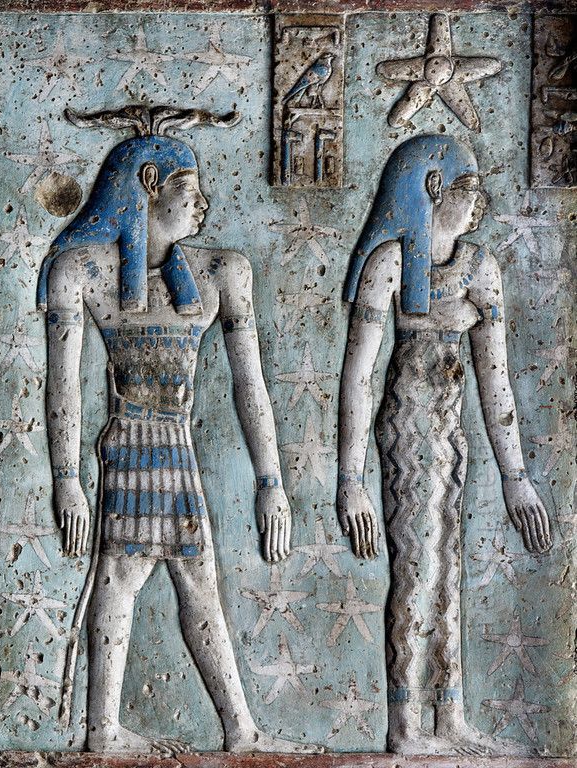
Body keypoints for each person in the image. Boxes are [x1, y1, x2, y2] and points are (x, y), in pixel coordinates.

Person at [38, 106, 317, 755]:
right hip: (130, 444)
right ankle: (108, 731)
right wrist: (66, 480)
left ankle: (234, 730)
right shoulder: (81, 271)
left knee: (189, 580)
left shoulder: (223, 272)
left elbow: (250, 385)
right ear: (149, 185)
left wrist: (271, 482)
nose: (204, 205)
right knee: (125, 575)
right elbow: (61, 387)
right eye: (189, 190)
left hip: (177, 447)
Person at [337, 134, 551, 756]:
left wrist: (515, 476)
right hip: (406, 429)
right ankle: (405, 726)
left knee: (446, 573)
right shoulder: (390, 263)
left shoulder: (480, 268)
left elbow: (495, 380)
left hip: (448, 434)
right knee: (417, 571)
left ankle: (449, 715)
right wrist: (350, 481)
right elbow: (358, 377)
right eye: (469, 189)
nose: (480, 202)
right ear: (434, 188)